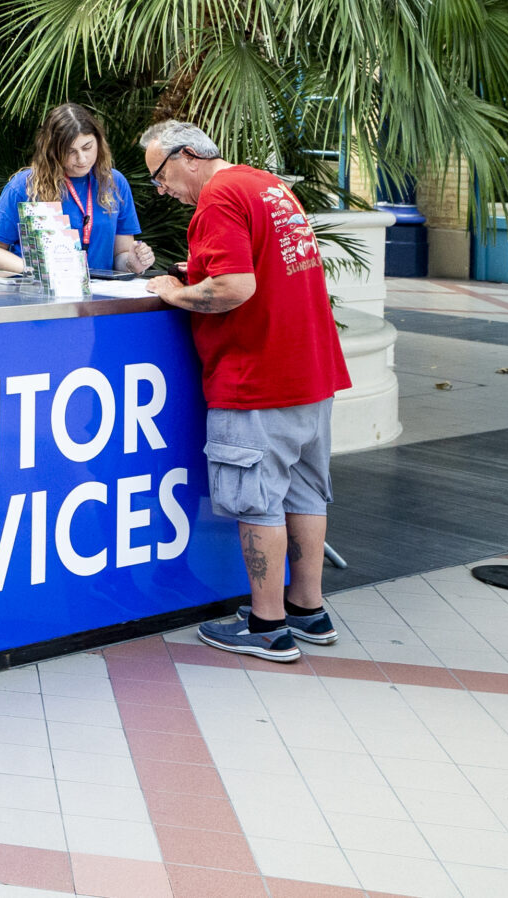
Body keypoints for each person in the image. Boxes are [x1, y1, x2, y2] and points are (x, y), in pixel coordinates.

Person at [140, 120, 349, 663]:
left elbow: (235, 287)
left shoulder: (218, 198)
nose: (163, 191)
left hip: (258, 375)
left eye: (161, 176)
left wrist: (176, 292)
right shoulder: (268, 185)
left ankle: (266, 625)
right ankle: (307, 609)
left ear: (188, 155)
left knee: (257, 499)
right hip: (310, 370)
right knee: (304, 492)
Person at [0, 102, 154, 276]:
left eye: (87, 147)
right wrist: (37, 269)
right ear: (52, 151)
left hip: (99, 297)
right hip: (42, 294)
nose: (82, 159)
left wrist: (133, 262)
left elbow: (120, 255)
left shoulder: (115, 182)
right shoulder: (25, 185)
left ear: (99, 141)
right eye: (70, 152)